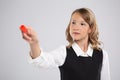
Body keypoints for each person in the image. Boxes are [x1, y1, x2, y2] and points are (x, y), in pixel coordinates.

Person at [21, 8, 110, 80]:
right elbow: (41, 61)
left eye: (82, 24)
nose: (76, 27)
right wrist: (34, 43)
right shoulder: (64, 52)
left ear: (90, 29)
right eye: (73, 22)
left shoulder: (102, 55)